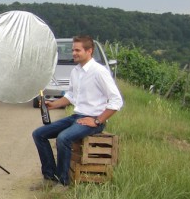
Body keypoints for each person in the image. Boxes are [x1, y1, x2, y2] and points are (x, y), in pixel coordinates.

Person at [32, 35, 123, 189]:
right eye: (73, 50)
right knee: (39, 134)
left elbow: (116, 101)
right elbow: (71, 96)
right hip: (77, 117)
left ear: (89, 51)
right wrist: (53, 104)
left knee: (63, 138)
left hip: (93, 120)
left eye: (77, 50)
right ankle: (50, 177)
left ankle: (63, 182)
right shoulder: (76, 71)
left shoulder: (99, 72)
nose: (73, 53)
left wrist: (96, 121)